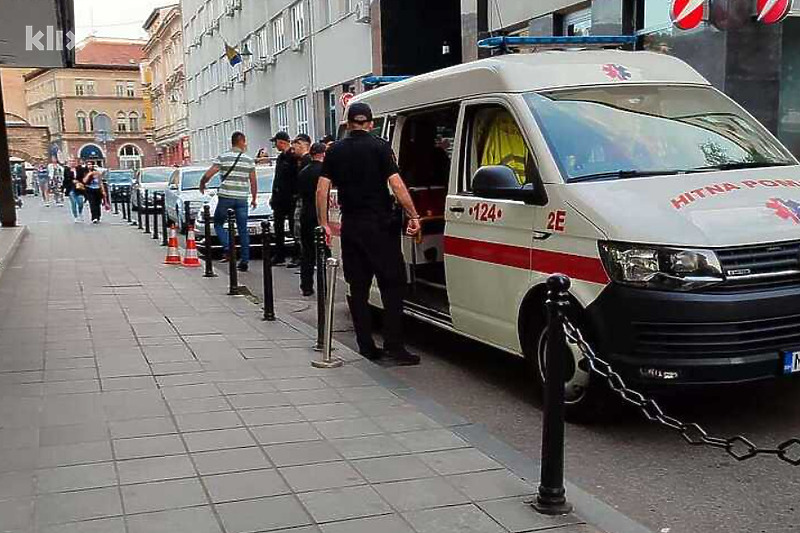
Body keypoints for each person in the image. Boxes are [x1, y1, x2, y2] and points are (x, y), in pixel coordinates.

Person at [316, 102, 422, 365]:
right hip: (380, 226)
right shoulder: (380, 147)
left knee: (359, 288)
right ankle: (394, 346)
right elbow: (396, 184)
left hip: (351, 225)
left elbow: (322, 189)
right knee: (392, 286)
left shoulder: (335, 151)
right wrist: (413, 215)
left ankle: (366, 346)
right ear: (370, 123)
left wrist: (324, 223)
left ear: (349, 124)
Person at [200, 131, 257, 272]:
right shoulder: (249, 160)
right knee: (243, 229)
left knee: (219, 223)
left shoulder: (224, 157)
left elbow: (209, 174)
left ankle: (228, 247)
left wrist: (202, 184)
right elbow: (253, 181)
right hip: (242, 198)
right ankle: (244, 260)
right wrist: (254, 198)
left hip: (225, 197)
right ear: (242, 141)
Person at [296, 142, 326, 296]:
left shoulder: (303, 171)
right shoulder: (325, 172)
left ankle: (306, 285)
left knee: (307, 252)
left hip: (306, 213)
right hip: (321, 214)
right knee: (325, 252)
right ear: (322, 154)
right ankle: (324, 285)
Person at [270, 131, 299, 267]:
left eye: (276, 142)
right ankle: (279, 254)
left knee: (294, 228)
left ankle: (296, 255)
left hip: (291, 198)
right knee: (278, 227)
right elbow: (277, 179)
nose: (275, 145)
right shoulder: (281, 158)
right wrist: (273, 196)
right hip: (279, 199)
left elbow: (295, 177)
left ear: (281, 142)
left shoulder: (293, 157)